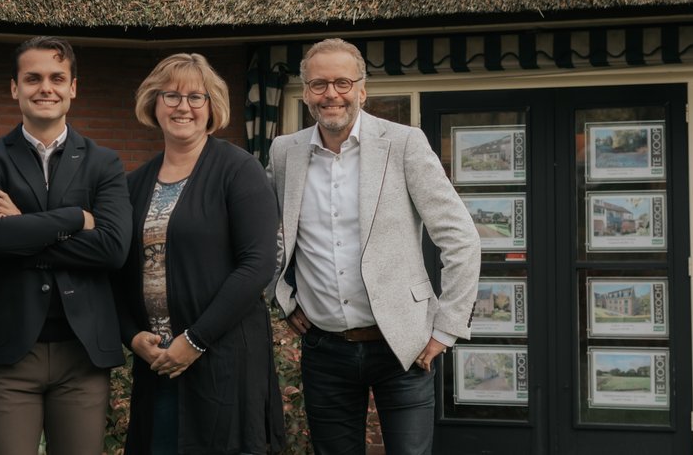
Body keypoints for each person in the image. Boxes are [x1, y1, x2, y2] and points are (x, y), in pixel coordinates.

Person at [267, 38, 482, 455]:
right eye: (319, 84)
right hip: (323, 348)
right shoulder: (283, 153)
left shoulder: (404, 143)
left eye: (343, 82)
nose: (331, 93)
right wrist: (284, 299)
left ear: (362, 90)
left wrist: (446, 329)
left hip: (403, 346)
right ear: (306, 91)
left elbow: (461, 237)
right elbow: (268, 236)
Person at [0, 37, 132, 455]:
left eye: (57, 78)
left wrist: (23, 226)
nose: (46, 87)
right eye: (33, 78)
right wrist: (76, 218)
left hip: (83, 352)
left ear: (73, 87)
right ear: (14, 88)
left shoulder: (104, 162)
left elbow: (113, 248)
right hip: (10, 353)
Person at [115, 53, 282, 455]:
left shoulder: (239, 170)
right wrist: (132, 336)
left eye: (196, 97)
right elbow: (114, 272)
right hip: (158, 363)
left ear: (212, 107)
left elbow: (258, 263)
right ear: (154, 104)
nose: (182, 106)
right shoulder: (133, 183)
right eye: (170, 95)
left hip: (223, 359)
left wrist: (195, 339)